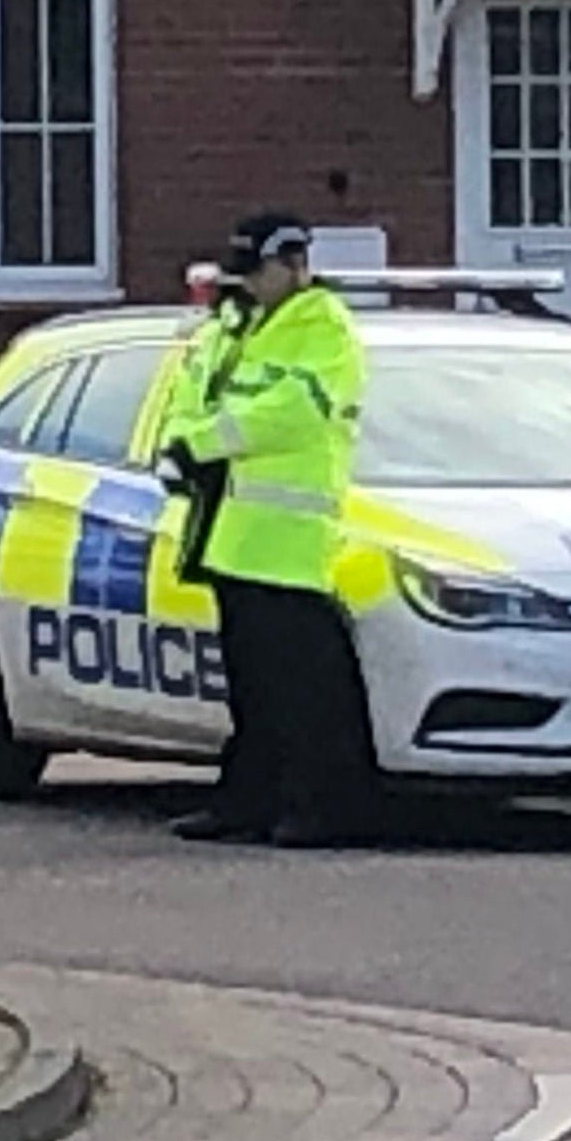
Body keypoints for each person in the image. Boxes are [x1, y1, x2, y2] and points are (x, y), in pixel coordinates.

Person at [158, 211, 373, 848]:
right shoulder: (234, 327)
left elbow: (292, 413)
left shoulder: (323, 329)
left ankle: (316, 808)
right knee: (251, 683)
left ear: (295, 264)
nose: (249, 284)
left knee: (301, 688)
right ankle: (246, 801)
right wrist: (179, 442)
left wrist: (198, 444)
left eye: (260, 272)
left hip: (290, 543)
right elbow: (191, 393)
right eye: (243, 274)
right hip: (232, 535)